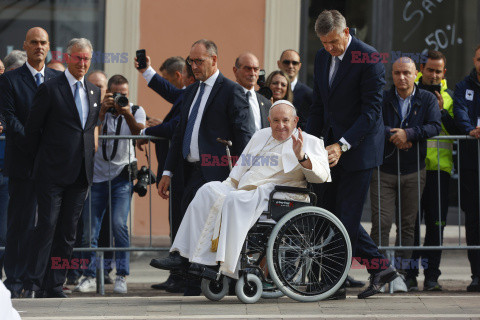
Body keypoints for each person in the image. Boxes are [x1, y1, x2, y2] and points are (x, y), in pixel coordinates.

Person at [151, 100, 330, 277]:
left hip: (279, 195)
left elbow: (320, 177)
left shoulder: (310, 142)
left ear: (295, 121)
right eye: (276, 121)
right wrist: (227, 186)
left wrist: (301, 156)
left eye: (285, 120)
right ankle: (182, 255)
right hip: (248, 190)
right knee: (207, 191)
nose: (280, 125)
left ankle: (218, 264)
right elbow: (241, 168)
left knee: (234, 200)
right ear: (269, 121)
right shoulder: (260, 135)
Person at [306, 10, 399, 299]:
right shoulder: (322, 58)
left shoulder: (368, 57)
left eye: (334, 42)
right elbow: (319, 105)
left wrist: (342, 144)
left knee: (344, 217)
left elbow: (371, 112)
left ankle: (334, 284)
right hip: (329, 151)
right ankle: (379, 269)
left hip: (358, 151)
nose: (330, 49)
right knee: (331, 214)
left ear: (346, 32)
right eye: (324, 43)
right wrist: (308, 142)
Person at [151, 39, 255, 296]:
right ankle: (188, 280)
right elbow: (179, 134)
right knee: (183, 216)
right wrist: (167, 171)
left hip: (215, 171)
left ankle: (185, 269)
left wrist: (245, 174)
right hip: (187, 169)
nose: (194, 66)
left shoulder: (232, 91)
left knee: (195, 218)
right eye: (191, 61)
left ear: (214, 60)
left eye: (199, 61)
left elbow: (245, 135)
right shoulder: (190, 91)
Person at [23, 38, 101, 298]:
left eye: (86, 59)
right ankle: (32, 283)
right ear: (68, 58)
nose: (82, 63)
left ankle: (54, 284)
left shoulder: (94, 91)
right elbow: (33, 129)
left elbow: (88, 130)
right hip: (51, 173)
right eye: (78, 58)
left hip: (80, 174)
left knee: (69, 232)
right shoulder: (50, 88)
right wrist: (40, 162)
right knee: (46, 225)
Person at [370, 57, 441, 291]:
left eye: (406, 73)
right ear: (392, 75)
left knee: (408, 226)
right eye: (397, 73)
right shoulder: (383, 98)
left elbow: (435, 126)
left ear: (415, 75)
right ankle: (379, 274)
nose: (402, 77)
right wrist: (394, 134)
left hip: (414, 170)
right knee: (381, 224)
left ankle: (400, 274)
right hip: (384, 170)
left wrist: (409, 134)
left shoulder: (427, 98)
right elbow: (373, 124)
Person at [0, 27, 61, 298]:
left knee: (49, 226)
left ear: (49, 47)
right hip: (23, 164)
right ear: (25, 46)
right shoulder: (10, 80)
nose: (39, 47)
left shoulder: (59, 79)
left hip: (52, 167)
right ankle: (14, 280)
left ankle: (40, 281)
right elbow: (10, 119)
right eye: (34, 42)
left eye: (43, 42)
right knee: (20, 225)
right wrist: (36, 144)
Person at [75, 75, 146, 294]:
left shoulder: (135, 110)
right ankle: (89, 275)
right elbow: (89, 133)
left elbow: (139, 135)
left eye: (123, 94)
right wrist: (103, 113)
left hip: (121, 179)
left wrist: (126, 114)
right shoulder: (97, 111)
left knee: (119, 225)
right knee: (90, 231)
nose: (119, 98)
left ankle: (121, 276)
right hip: (96, 179)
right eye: (114, 94)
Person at [136, 55, 194, 293]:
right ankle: (177, 276)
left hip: (186, 173)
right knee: (176, 224)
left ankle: (183, 277)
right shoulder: (187, 94)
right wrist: (146, 70)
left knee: (181, 225)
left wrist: (146, 130)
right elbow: (168, 90)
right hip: (178, 172)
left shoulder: (195, 95)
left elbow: (174, 127)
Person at [406, 50, 459, 292]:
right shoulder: (410, 92)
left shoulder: (451, 96)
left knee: (436, 225)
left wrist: (443, 112)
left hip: (440, 170)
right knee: (411, 224)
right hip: (412, 168)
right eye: (430, 70)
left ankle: (431, 276)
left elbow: (460, 128)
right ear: (421, 70)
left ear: (444, 72)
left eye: (439, 71)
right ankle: (408, 274)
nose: (434, 75)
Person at [453, 44, 480, 292]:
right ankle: (477, 274)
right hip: (472, 163)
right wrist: (471, 130)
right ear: (475, 59)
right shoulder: (464, 86)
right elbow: (459, 110)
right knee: (473, 219)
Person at [233, 52, 271, 130]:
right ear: (235, 70)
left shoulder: (266, 103)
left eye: (256, 69)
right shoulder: (226, 96)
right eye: (248, 69)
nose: (252, 73)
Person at [277, 49, 313, 129]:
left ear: (299, 66)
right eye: (286, 62)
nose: (290, 66)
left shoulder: (308, 95)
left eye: (294, 63)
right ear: (279, 64)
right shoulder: (270, 90)